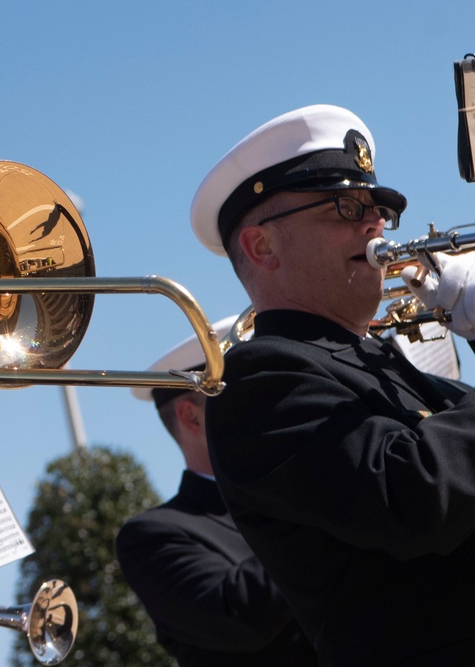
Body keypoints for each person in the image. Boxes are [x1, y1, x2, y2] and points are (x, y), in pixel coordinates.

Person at [190, 103, 475, 665]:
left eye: (377, 209)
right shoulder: (260, 380)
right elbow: (415, 494)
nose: (373, 224)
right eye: (346, 206)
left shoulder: (391, 367)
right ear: (261, 246)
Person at [115, 317, 317, 666]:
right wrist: (318, 490)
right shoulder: (153, 536)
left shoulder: (290, 496)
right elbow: (243, 616)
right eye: (251, 394)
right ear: (191, 417)